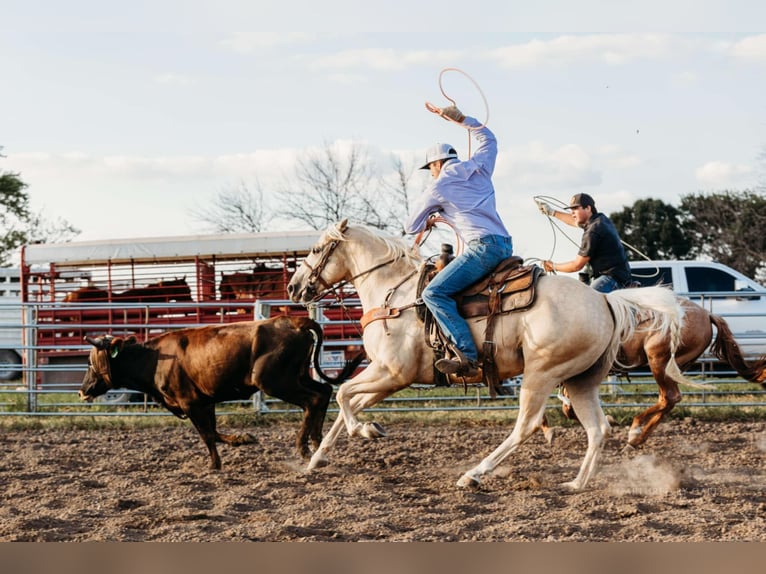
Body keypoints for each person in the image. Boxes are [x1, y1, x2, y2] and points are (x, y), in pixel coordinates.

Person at [405, 105, 513, 378]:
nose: (431, 172)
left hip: (481, 249)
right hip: (504, 244)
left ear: (437, 164)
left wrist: (429, 218)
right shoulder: (479, 166)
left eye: (430, 168)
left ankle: (467, 354)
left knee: (433, 293)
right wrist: (461, 119)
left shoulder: (437, 187)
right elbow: (489, 139)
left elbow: (410, 226)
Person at [537, 193, 631, 293]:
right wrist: (552, 212)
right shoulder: (600, 219)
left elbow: (577, 265)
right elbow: (574, 221)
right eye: (571, 210)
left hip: (611, 279)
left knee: (585, 302)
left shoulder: (592, 231)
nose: (572, 213)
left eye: (576, 209)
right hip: (620, 276)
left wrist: (553, 266)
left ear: (588, 208)